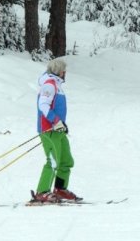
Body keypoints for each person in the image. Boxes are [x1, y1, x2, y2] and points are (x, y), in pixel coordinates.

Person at [31, 58, 80, 203]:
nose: (65, 74)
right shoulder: (49, 85)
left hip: (57, 130)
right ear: (59, 71)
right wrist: (56, 121)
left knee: (66, 160)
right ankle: (42, 192)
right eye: (64, 71)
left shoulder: (57, 85)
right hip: (49, 130)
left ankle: (60, 189)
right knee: (52, 161)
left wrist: (61, 125)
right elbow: (43, 105)